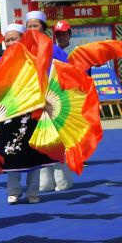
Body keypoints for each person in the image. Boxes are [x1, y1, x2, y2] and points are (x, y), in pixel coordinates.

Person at [1, 12, 62, 202]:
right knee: (11, 151)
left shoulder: (36, 60)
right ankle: (13, 191)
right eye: (7, 40)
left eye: (14, 39)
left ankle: (32, 192)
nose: (10, 43)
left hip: (33, 112)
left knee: (34, 152)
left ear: (23, 39)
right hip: (9, 113)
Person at [42, 20, 75, 191]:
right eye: (58, 34)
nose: (61, 36)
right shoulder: (50, 50)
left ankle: (63, 180)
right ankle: (46, 181)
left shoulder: (74, 51)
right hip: (46, 99)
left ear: (70, 34)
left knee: (61, 139)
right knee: (45, 139)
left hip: (66, 98)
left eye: (64, 33)